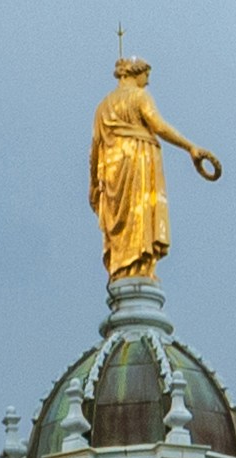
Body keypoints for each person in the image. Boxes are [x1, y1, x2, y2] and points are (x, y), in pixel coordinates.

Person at [89, 56, 219, 286]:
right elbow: (158, 126)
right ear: (134, 73)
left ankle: (125, 267)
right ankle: (139, 263)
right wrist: (190, 147)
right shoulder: (139, 97)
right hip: (138, 162)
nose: (147, 82)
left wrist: (93, 185)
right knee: (139, 211)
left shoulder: (102, 106)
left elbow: (95, 150)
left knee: (124, 215)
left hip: (111, 170)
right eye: (146, 76)